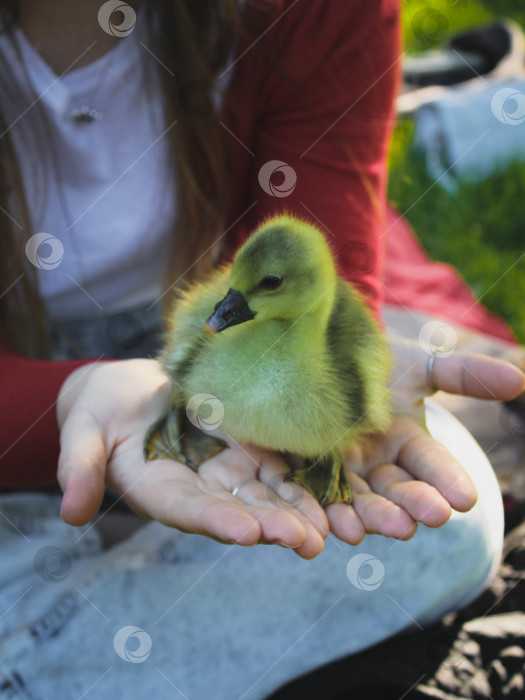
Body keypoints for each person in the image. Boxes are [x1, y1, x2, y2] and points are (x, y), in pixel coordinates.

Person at [0, 1, 523, 698]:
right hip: (45, 387)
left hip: (164, 367)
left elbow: (322, 248)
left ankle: (57, 630)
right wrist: (68, 402)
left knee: (449, 522)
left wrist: (346, 369)